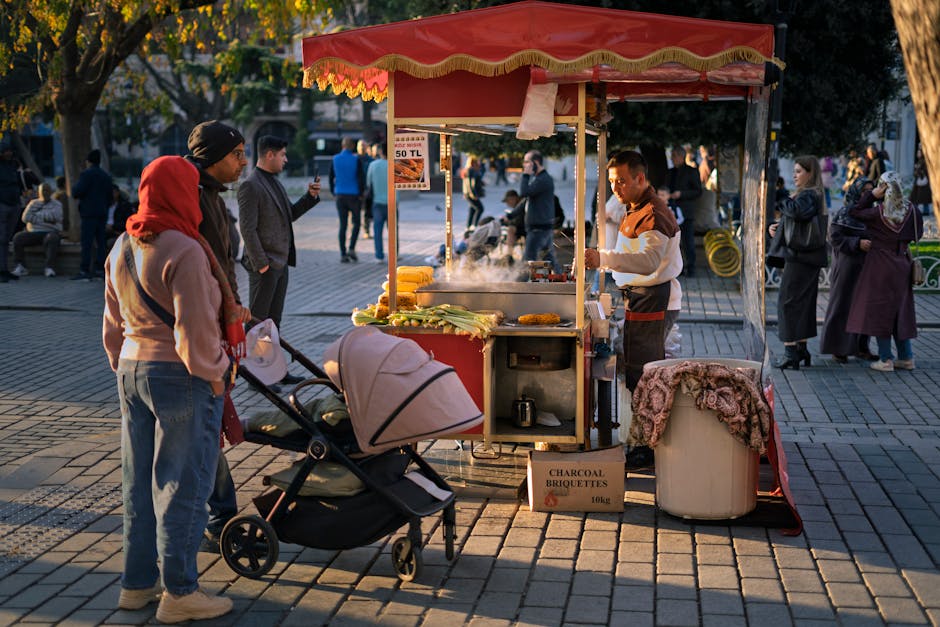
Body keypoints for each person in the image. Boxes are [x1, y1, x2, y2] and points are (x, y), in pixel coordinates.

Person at [102, 156, 234, 622]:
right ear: (182, 191)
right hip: (182, 376)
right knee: (182, 484)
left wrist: (125, 366)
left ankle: (136, 585)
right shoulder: (186, 250)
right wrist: (218, 371)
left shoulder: (122, 246)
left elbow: (112, 325)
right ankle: (179, 591)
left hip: (131, 373)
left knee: (137, 483)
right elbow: (195, 332)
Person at [584, 150, 682, 469]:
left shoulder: (653, 213)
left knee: (645, 371)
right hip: (640, 295)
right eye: (612, 182)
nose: (616, 188)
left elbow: (648, 261)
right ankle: (642, 437)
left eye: (622, 182)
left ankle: (648, 445)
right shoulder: (635, 206)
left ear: (640, 178)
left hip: (654, 298)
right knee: (638, 367)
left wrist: (605, 259)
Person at [184, 119, 252, 553]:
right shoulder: (193, 200)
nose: (242, 162)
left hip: (216, 327)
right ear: (211, 159)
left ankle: (218, 513)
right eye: (236, 154)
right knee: (205, 428)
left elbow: (224, 266)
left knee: (207, 427)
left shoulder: (211, 197)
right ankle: (218, 518)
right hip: (199, 338)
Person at [238, 135, 321, 331]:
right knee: (256, 323)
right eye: (282, 155)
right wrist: (262, 265)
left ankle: (268, 360)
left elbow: (288, 214)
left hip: (280, 264)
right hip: (265, 265)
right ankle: (247, 361)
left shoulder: (275, 182)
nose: (286, 159)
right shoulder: (251, 185)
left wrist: (309, 197)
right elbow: (247, 229)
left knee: (273, 323)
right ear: (269, 154)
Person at [846, 171, 923, 372]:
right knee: (901, 310)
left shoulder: (877, 213)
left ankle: (886, 359)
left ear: (883, 188)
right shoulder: (913, 211)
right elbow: (919, 234)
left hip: (879, 265)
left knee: (880, 310)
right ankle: (906, 357)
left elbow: (852, 211)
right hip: (902, 263)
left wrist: (871, 195)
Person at [768, 155, 828, 370]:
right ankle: (801, 350)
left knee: (787, 302)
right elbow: (797, 219)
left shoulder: (808, 195)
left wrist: (781, 196)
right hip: (807, 258)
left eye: (799, 171)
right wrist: (777, 228)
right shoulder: (812, 195)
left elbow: (796, 211)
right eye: (794, 171)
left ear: (810, 173)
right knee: (802, 303)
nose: (794, 175)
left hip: (799, 257)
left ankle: (790, 352)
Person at [819, 177, 877, 362]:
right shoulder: (846, 212)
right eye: (863, 191)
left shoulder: (873, 213)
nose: (867, 195)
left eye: (870, 191)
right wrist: (857, 243)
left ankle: (861, 347)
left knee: (865, 308)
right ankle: (839, 348)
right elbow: (834, 237)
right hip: (847, 266)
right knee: (842, 305)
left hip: (867, 266)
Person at [70, 149, 113, 281]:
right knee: (101, 242)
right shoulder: (106, 176)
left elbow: (77, 192)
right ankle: (100, 269)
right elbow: (110, 197)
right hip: (102, 213)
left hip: (88, 214)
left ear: (88, 161)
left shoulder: (86, 175)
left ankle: (85, 270)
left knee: (87, 243)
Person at [0, 141, 40, 282]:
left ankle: (4, 268)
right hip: (3, 204)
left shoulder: (13, 166)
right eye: (6, 151)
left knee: (7, 239)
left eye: (10, 151)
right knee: (2, 238)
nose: (9, 153)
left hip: (14, 204)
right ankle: (2, 269)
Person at [11, 183, 63, 278]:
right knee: (18, 238)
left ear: (51, 192)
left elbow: (57, 217)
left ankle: (49, 267)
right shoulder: (33, 203)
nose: (44, 192)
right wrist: (47, 219)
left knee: (52, 238)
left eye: (47, 190)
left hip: (50, 232)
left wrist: (36, 217)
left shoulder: (57, 204)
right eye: (42, 190)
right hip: (34, 232)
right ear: (38, 192)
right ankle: (21, 266)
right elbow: (25, 218)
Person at [519, 150, 559, 272]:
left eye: (527, 162)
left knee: (528, 261)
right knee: (549, 258)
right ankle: (562, 281)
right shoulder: (539, 178)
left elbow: (524, 192)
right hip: (540, 227)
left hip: (539, 229)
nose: (524, 165)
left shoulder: (543, 179)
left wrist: (525, 175)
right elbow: (527, 200)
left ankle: (518, 286)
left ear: (535, 162)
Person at [666, 146, 702, 277]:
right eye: (672, 156)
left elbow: (698, 191)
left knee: (688, 242)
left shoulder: (692, 171)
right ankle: (678, 269)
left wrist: (681, 194)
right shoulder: (670, 172)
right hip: (671, 211)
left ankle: (691, 268)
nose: (672, 158)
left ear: (681, 157)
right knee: (674, 242)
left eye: (674, 155)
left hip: (686, 212)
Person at [329, 137, 365, 262]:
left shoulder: (335, 159)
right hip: (354, 195)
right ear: (352, 147)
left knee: (343, 225)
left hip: (340, 195)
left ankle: (343, 254)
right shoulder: (356, 159)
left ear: (342, 146)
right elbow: (361, 178)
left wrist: (333, 191)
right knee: (356, 223)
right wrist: (361, 194)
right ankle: (351, 248)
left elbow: (330, 177)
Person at [366, 142, 389, 261]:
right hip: (392, 202)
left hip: (377, 201)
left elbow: (368, 183)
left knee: (377, 231)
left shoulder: (373, 165)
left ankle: (379, 255)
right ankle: (395, 253)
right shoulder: (394, 165)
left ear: (381, 152)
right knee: (393, 231)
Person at [500, 189, 526, 262]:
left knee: (511, 229)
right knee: (511, 229)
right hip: (523, 228)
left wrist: (507, 222)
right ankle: (509, 256)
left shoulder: (521, 205)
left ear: (514, 198)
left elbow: (519, 221)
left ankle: (509, 255)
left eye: (508, 201)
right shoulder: (518, 206)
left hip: (527, 228)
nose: (507, 204)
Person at [462, 157, 486, 230]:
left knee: (472, 209)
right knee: (480, 208)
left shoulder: (469, 170)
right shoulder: (471, 170)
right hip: (471, 194)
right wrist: (473, 194)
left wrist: (481, 183)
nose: (478, 163)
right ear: (473, 163)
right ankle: (474, 225)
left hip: (467, 193)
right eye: (476, 161)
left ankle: (469, 226)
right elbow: (471, 184)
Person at [357, 139, 374, 238]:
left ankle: (366, 231)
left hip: (368, 190)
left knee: (367, 212)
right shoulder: (354, 159)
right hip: (356, 190)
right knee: (354, 212)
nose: (362, 148)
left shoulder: (371, 160)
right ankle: (352, 230)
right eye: (360, 146)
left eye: (364, 146)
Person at [910, 147, 932, 217]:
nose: (918, 154)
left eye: (919, 152)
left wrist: (918, 170)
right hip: (919, 183)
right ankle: (916, 211)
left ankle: (924, 211)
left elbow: (925, 171)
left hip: (923, 183)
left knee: (922, 198)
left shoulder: (925, 162)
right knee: (916, 198)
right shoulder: (919, 161)